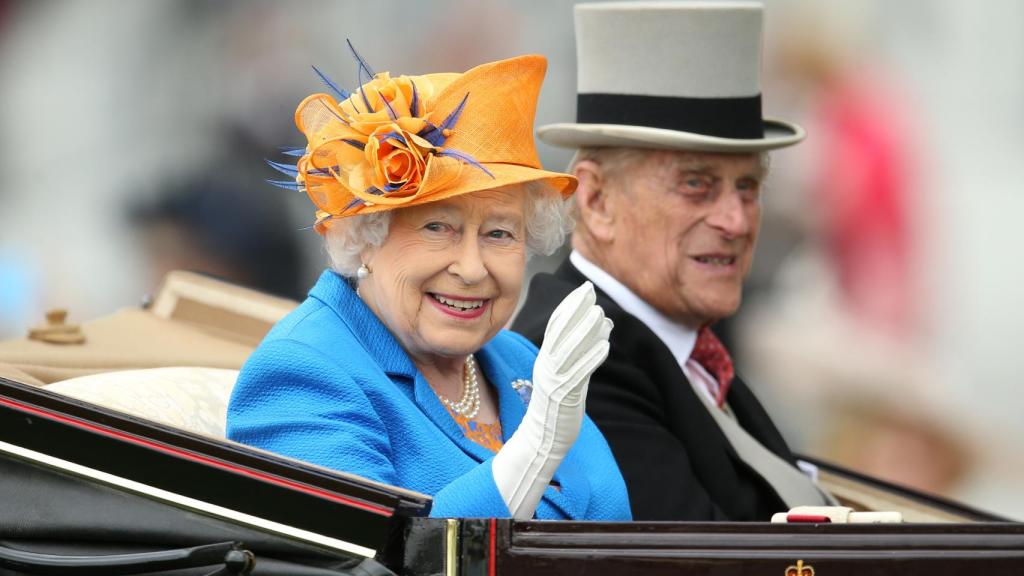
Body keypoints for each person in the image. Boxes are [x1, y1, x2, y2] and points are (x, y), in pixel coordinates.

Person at [227, 50, 630, 521]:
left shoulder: (524, 362)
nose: (472, 268)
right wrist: (535, 449)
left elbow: (615, 530)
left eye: (499, 233)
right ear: (365, 235)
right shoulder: (302, 374)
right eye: (437, 227)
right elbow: (371, 561)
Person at [513, 2, 833, 521]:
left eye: (748, 186)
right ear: (596, 202)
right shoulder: (580, 359)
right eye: (696, 185)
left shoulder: (684, 343)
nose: (736, 220)